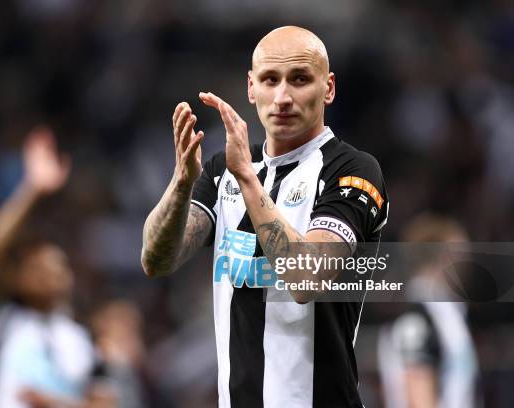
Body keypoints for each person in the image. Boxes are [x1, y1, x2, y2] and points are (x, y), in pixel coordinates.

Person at [141, 26, 389, 407]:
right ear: (251, 87)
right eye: (270, 80)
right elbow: (156, 260)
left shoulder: (352, 170)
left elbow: (305, 278)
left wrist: (247, 179)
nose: (283, 97)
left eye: (300, 79)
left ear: (329, 88)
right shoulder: (223, 169)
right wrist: (180, 183)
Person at [0, 127, 97, 408]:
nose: (47, 273)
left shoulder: (80, 339)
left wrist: (53, 403)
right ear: (18, 279)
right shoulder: (6, 321)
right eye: (35, 267)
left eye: (54, 265)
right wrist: (32, 189)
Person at [378, 214, 478, 408]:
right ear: (443, 257)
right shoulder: (416, 317)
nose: (467, 264)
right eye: (460, 255)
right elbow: (418, 391)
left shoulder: (445, 315)